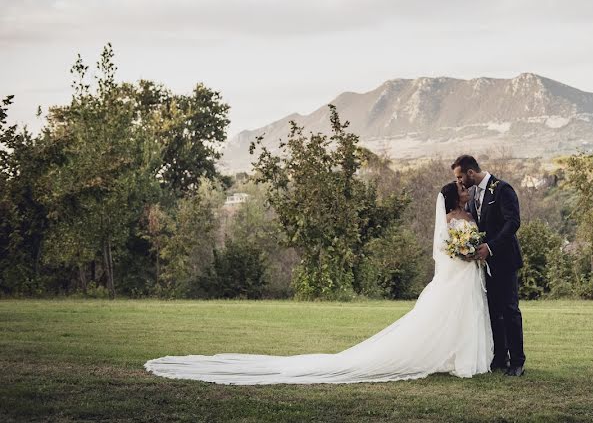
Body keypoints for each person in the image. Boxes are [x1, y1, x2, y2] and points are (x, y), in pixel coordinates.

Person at [144, 181, 492, 384]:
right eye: (460, 188)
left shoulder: (469, 215)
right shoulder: (449, 219)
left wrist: (474, 250)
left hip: (468, 277)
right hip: (455, 276)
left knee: (464, 317)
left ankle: (460, 358)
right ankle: (451, 359)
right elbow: (445, 251)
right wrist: (465, 252)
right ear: (451, 197)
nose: (465, 190)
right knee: (442, 317)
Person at [452, 154, 526, 377]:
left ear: (471, 173)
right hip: (485, 265)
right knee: (493, 311)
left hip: (504, 259)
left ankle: (517, 362)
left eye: (460, 176)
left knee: (510, 310)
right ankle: (500, 358)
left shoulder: (502, 189)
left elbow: (513, 222)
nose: (459, 182)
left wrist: (490, 247)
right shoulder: (473, 193)